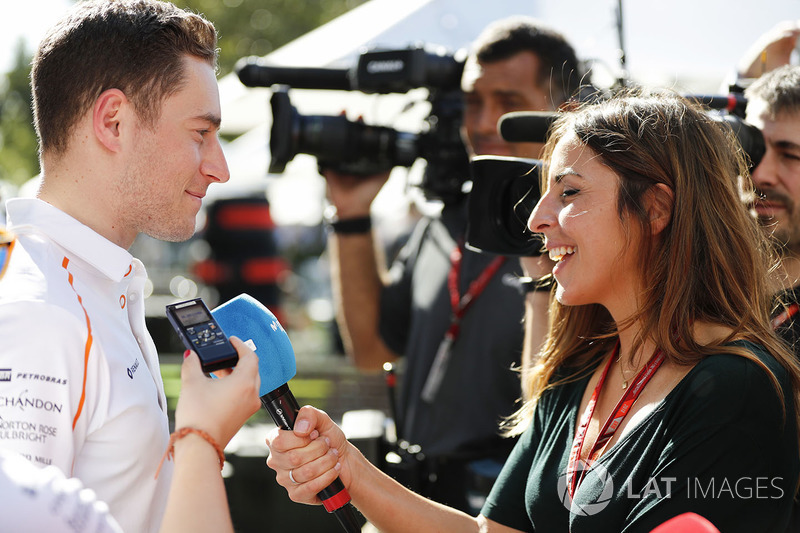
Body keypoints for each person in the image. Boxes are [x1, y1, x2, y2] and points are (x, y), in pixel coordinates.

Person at [264, 89, 800, 531]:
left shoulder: (736, 385)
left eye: (567, 192)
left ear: (656, 208)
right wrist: (349, 468)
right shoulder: (580, 372)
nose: (537, 220)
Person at [324, 15, 580, 512]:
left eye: (508, 104)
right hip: (417, 503)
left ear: (564, 111)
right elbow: (371, 348)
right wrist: (351, 216)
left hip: (512, 510)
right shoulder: (446, 221)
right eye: (473, 102)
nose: (482, 123)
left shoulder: (585, 230)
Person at [0, 1, 230, 531]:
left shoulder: (91, 285)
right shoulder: (39, 315)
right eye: (201, 133)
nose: (220, 168)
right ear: (113, 121)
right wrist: (202, 440)